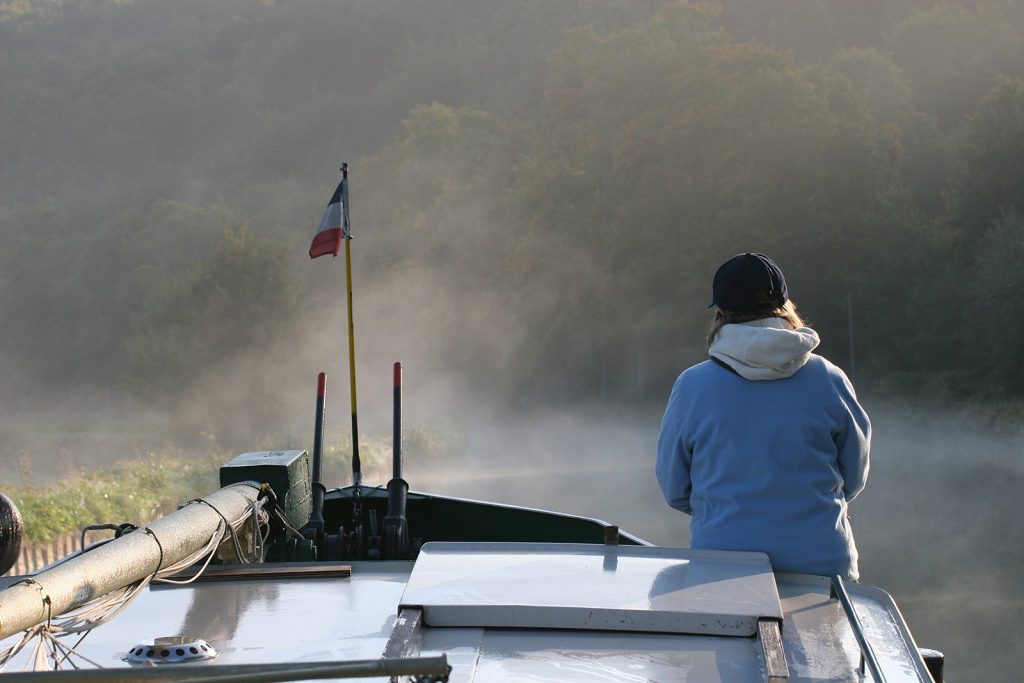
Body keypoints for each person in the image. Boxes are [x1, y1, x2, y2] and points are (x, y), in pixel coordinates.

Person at [655, 252, 870, 580]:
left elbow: (675, 490)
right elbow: (853, 477)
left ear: (722, 312)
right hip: (823, 568)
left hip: (722, 566)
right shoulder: (829, 378)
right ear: (786, 307)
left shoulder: (693, 386)